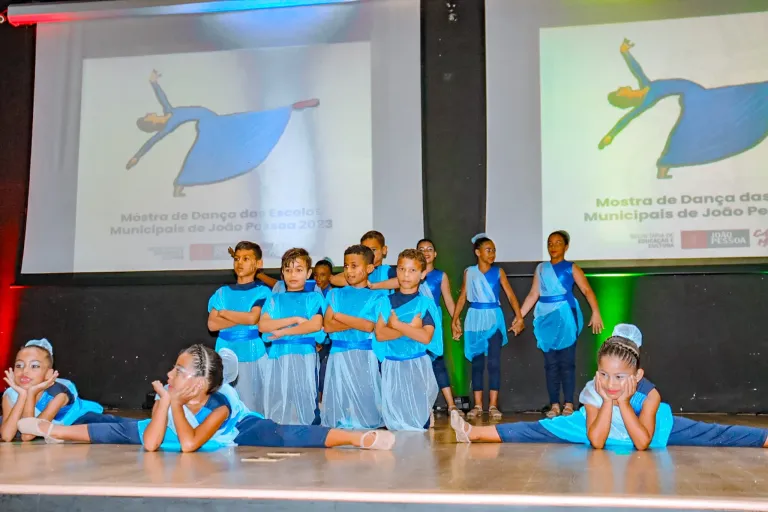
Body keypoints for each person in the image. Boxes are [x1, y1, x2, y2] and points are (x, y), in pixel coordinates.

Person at [17, 345, 395, 451]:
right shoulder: (173, 394)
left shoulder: (220, 405)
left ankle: (355, 437)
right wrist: (166, 404)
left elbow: (190, 444)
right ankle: (55, 430)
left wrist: (173, 404)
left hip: (235, 431)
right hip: (179, 423)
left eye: (179, 371)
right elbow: (150, 443)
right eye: (174, 368)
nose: (170, 375)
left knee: (282, 434)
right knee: (121, 429)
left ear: (199, 383)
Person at [450, 325, 768, 450]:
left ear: (637, 375)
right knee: (540, 428)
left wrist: (624, 404)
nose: (611, 383)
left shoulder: (650, 395)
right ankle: (474, 432)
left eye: (620, 377)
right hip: (593, 424)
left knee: (711, 433)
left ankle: (764, 438)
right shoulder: (595, 389)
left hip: (648, 428)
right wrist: (605, 401)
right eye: (605, 374)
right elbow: (597, 441)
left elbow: (642, 443)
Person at [126, 70, 319, 196]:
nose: (148, 113)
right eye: (147, 117)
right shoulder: (167, 125)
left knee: (244, 122)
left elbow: (161, 96)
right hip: (209, 125)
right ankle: (179, 186)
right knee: (198, 154)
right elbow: (152, 141)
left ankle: (291, 108)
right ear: (151, 123)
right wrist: (137, 156)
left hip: (216, 122)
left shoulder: (169, 111)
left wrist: (153, 82)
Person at [599, 39, 768, 180]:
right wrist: (610, 135)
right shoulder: (644, 101)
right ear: (624, 97)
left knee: (737, 97)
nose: (620, 88)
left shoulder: (645, 85)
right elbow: (627, 119)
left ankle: (663, 168)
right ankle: (664, 166)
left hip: (699, 95)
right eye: (618, 91)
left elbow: (636, 69)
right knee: (734, 98)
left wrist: (625, 52)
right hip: (696, 98)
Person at [518, 231, 604, 418]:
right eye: (550, 243)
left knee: (567, 362)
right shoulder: (541, 268)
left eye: (558, 243)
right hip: (545, 318)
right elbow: (533, 294)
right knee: (551, 364)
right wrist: (519, 316)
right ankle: (554, 404)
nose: (553, 246)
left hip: (566, 317)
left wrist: (596, 312)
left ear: (566, 246)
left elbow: (586, 290)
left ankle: (569, 404)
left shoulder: (571, 268)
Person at [451, 234, 524, 420]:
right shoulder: (469, 272)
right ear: (478, 252)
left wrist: (519, 316)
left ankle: (492, 405)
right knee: (476, 364)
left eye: (494, 250)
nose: (492, 254)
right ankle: (477, 405)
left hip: (493, 318)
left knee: (494, 363)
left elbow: (510, 295)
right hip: (475, 319)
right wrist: (455, 319)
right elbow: (463, 296)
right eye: (488, 250)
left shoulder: (498, 272)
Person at [374, 249, 442, 431]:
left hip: (416, 366)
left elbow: (425, 337)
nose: (406, 275)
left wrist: (397, 325)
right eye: (402, 269)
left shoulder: (424, 303)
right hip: (392, 365)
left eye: (412, 270)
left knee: (418, 420)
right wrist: (411, 328)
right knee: (394, 420)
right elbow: (380, 334)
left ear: (422, 274)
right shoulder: (386, 301)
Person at [1, 339, 115, 442]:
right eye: (19, 365)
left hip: (77, 418)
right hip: (37, 423)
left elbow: (28, 435)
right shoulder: (11, 394)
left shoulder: (58, 395)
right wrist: (22, 396)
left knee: (105, 427)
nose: (25, 371)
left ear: (48, 374)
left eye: (34, 366)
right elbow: (6, 436)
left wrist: (31, 394)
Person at [259, 248, 325, 425]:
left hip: (305, 356)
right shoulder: (274, 299)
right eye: (288, 270)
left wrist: (282, 331)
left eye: (298, 270)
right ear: (282, 273)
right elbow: (263, 325)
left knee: (306, 399)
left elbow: (315, 325)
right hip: (278, 356)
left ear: (308, 273)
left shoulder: (314, 298)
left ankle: (308, 432)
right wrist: (295, 320)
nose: (293, 274)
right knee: (278, 400)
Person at [322, 245, 383, 429]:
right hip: (338, 354)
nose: (349, 271)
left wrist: (339, 315)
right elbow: (328, 325)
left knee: (365, 395)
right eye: (346, 266)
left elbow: (369, 326)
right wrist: (357, 321)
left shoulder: (377, 296)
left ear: (369, 268)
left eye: (354, 266)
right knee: (339, 396)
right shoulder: (335, 294)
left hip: (364, 354)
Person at [207, 241, 272, 414]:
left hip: (252, 353)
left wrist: (224, 313)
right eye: (236, 259)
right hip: (225, 350)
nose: (240, 263)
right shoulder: (222, 292)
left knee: (252, 404)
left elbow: (253, 318)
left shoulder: (263, 291)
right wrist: (243, 317)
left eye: (246, 259)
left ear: (258, 263)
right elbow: (212, 324)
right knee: (225, 402)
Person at [330, 231, 397, 289]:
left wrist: (374, 286)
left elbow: (400, 281)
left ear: (384, 250)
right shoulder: (358, 270)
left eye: (373, 250)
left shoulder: (387, 270)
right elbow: (334, 280)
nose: (370, 253)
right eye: (366, 251)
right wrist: (359, 281)